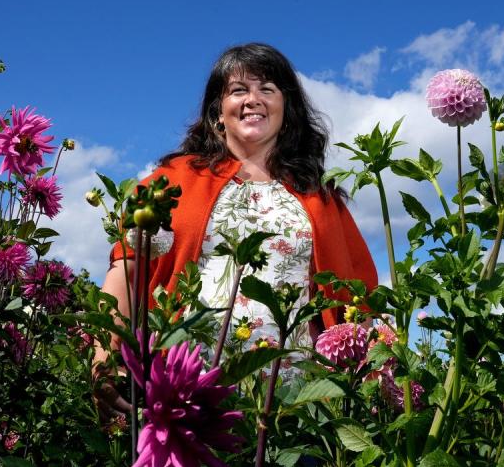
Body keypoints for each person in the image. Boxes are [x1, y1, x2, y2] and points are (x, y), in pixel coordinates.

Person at [98, 42, 376, 372]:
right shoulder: (172, 179)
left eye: (267, 89)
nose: (252, 100)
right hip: (182, 380)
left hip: (292, 394)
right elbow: (126, 272)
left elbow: (359, 295)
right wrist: (105, 362)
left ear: (286, 109)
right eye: (238, 90)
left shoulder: (320, 196)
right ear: (218, 111)